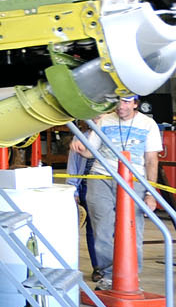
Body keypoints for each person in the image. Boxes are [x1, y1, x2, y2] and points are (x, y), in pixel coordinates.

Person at [69, 94, 162, 290]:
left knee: (132, 227)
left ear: (135, 103)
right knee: (102, 227)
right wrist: (79, 146)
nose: (121, 106)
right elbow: (90, 152)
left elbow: (152, 160)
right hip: (101, 177)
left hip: (133, 179)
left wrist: (150, 193)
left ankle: (130, 275)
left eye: (127, 101)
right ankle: (109, 274)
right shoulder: (104, 120)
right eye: (118, 101)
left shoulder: (148, 125)